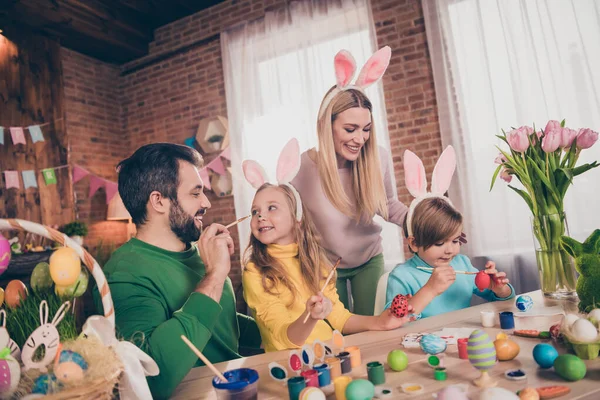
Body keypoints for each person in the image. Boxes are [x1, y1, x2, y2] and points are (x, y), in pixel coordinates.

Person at [94, 143, 261, 399]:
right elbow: (149, 380)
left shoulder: (195, 251)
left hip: (239, 382)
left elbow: (219, 324)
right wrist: (215, 276)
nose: (206, 202)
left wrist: (285, 321)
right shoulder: (124, 274)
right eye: (195, 194)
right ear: (158, 201)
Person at [241, 139, 413, 352]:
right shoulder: (255, 272)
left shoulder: (315, 262)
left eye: (271, 208)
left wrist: (380, 322)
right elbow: (281, 340)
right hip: (291, 365)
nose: (260, 216)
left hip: (330, 353)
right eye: (255, 211)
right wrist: (310, 317)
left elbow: (340, 319)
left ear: (297, 217)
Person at [290, 46, 409, 315]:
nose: (360, 138)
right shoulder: (302, 167)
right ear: (326, 125)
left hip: (368, 260)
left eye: (366, 129)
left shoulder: (377, 157)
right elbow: (292, 223)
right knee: (339, 336)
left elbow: (388, 204)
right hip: (325, 268)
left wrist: (424, 221)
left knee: (372, 327)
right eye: (350, 129)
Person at [385, 147, 514, 318]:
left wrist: (499, 289)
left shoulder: (462, 264)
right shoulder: (402, 276)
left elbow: (504, 301)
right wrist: (430, 290)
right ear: (414, 243)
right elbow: (392, 320)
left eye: (455, 241)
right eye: (439, 243)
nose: (449, 250)